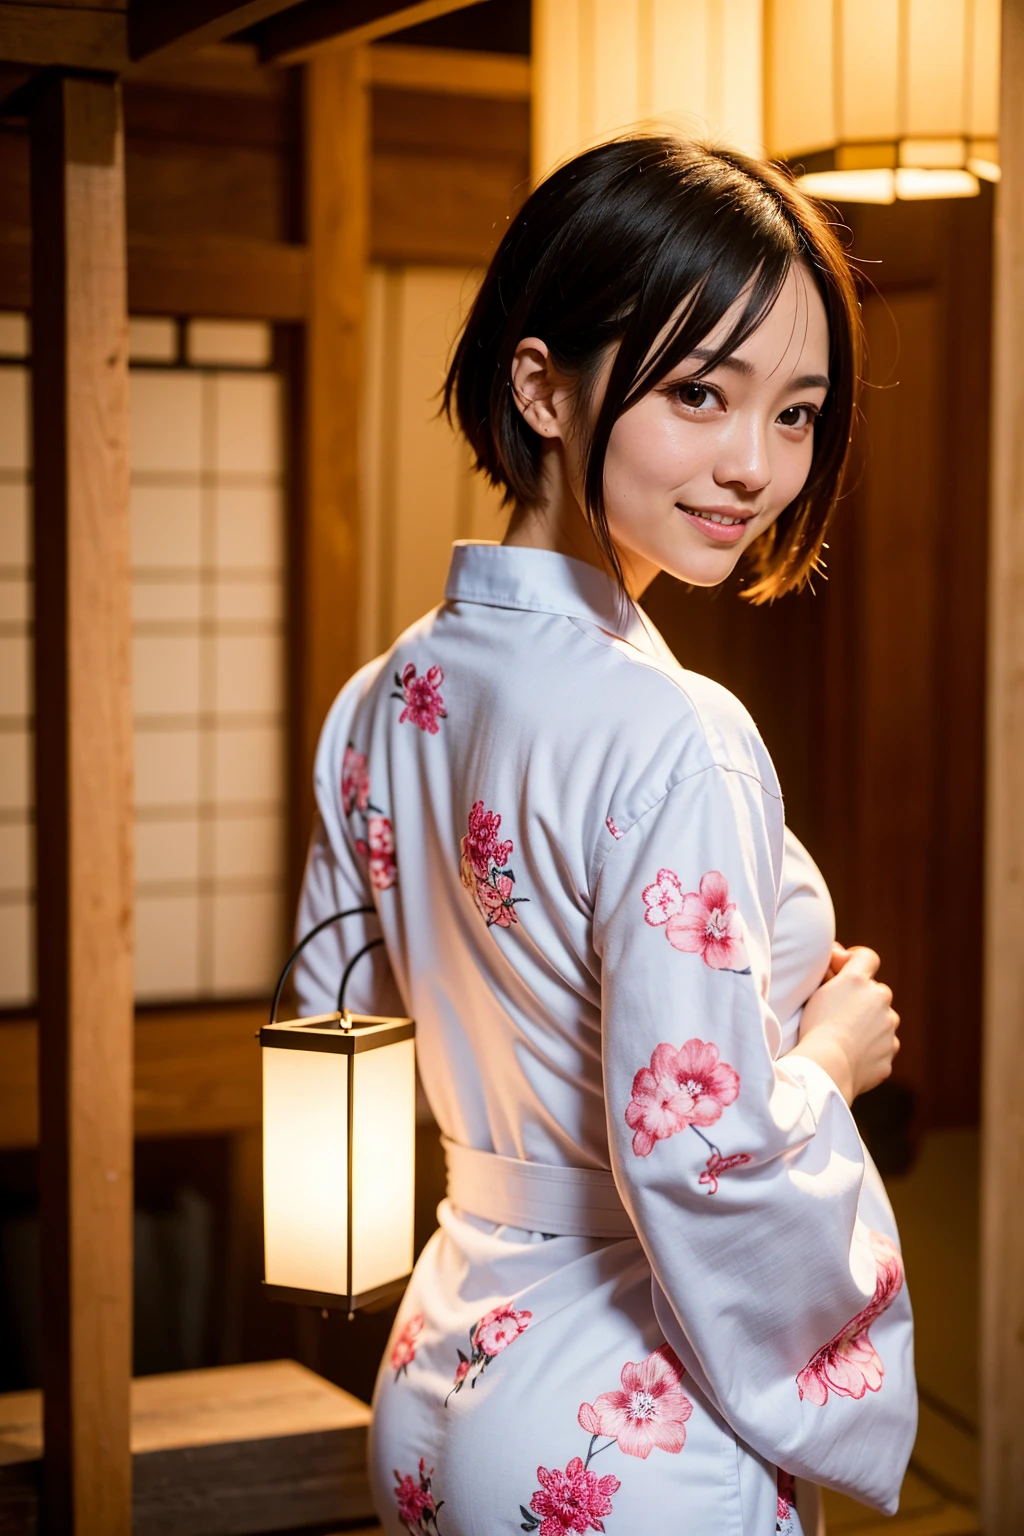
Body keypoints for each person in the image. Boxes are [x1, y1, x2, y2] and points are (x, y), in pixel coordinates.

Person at [294, 137, 916, 1536]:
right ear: (542, 385)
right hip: (628, 1412)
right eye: (702, 393)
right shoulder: (675, 731)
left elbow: (340, 1030)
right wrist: (825, 1065)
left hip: (440, 1368)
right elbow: (700, 1157)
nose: (754, 465)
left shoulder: (385, 698)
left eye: (800, 414)